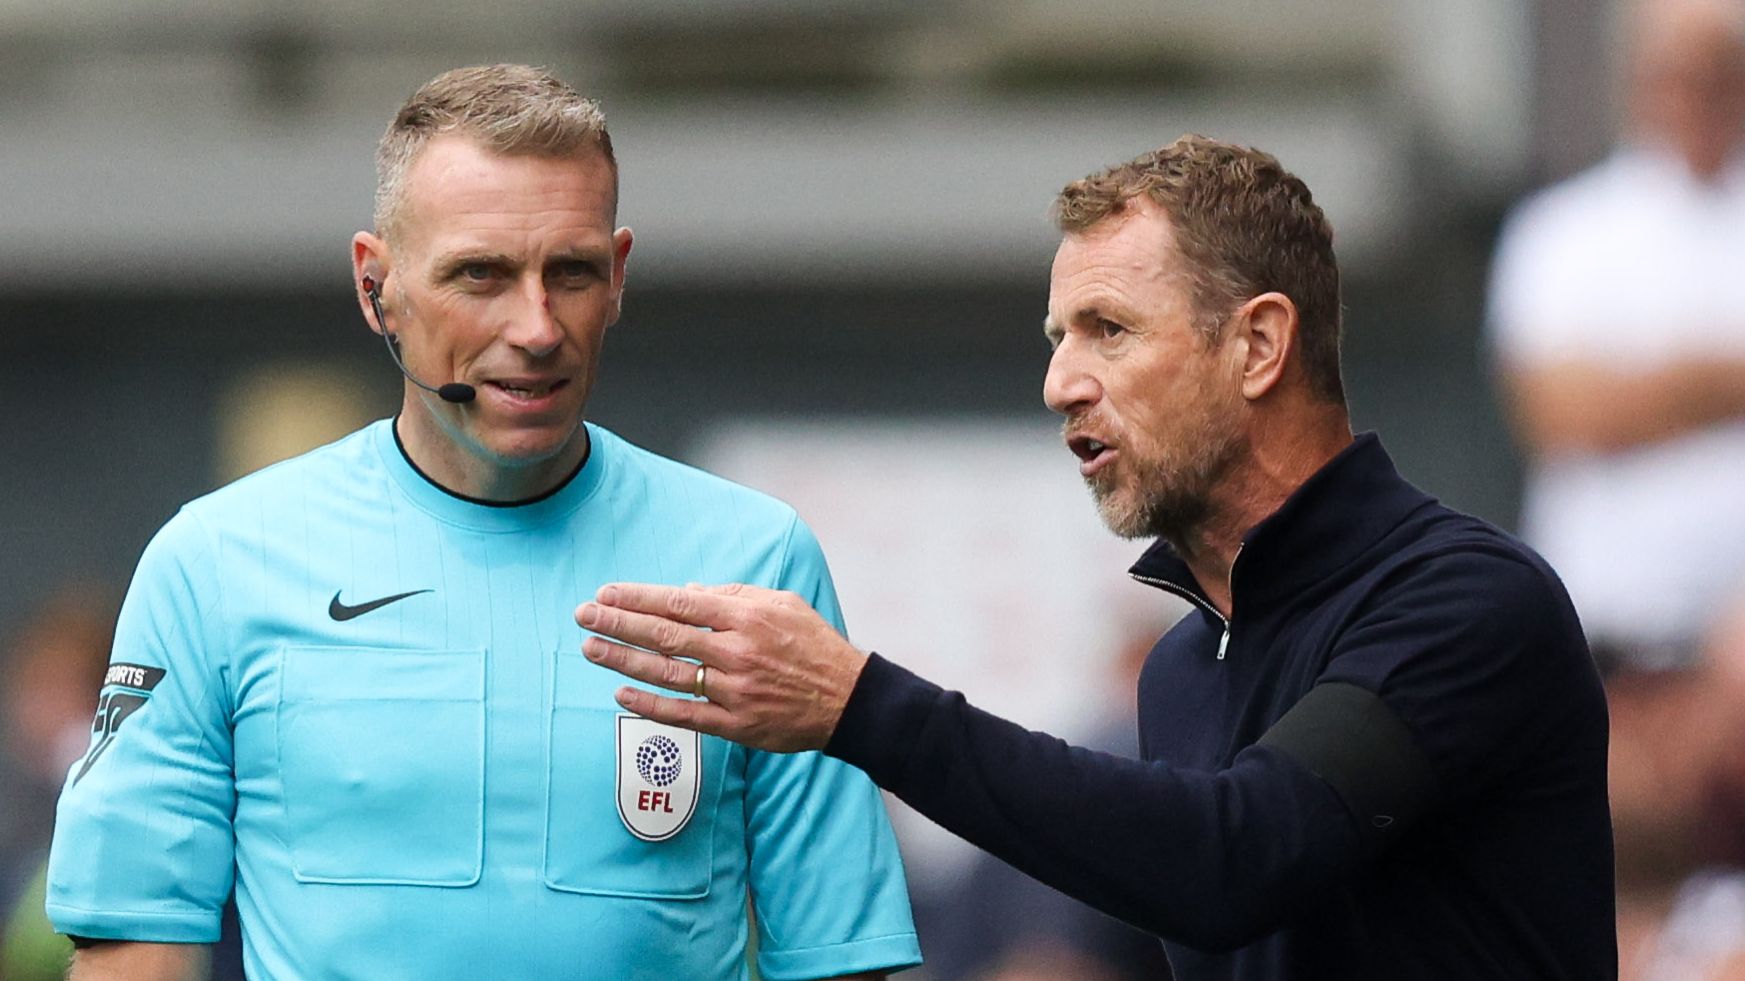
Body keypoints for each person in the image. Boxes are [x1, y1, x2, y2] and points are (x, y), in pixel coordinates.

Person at [577, 135, 1617, 978]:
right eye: (1055, 337)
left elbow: (1234, 856)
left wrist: (860, 706)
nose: (1060, 382)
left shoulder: (1465, 598)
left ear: (1256, 346)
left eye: (1106, 329)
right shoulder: (1180, 669)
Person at [46, 64, 920, 981]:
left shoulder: (752, 559)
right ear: (375, 286)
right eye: (481, 274)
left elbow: (838, 958)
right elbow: (132, 949)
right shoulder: (214, 564)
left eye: (571, 272)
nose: (537, 326)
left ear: (618, 277)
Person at [1486, 0, 1745, 674]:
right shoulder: (1564, 229)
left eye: (1715, 70)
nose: (1693, 94)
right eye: (1673, 72)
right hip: (1607, 641)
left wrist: (1648, 391)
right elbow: (1561, 411)